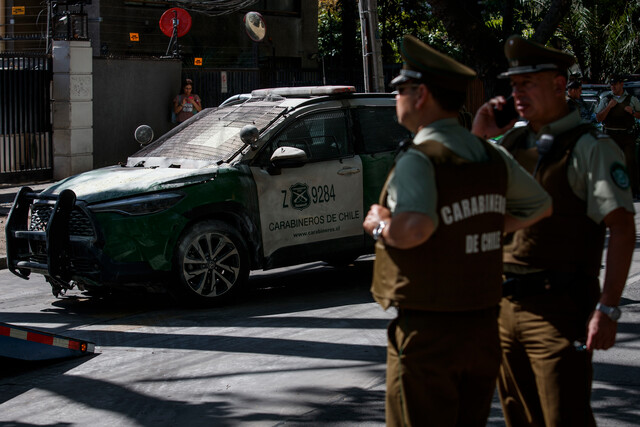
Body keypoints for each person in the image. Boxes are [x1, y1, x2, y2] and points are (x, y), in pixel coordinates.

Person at [363, 34, 552, 427]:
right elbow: (540, 205)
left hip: (430, 332)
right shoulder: (489, 153)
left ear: (422, 94)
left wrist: (379, 223)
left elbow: (415, 229)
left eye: (401, 88)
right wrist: (481, 225)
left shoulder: (421, 158)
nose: (396, 96)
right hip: (482, 325)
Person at [472, 35, 636, 427]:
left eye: (527, 84)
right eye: (513, 86)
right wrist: (479, 134)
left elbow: (622, 227)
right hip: (504, 307)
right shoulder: (512, 141)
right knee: (518, 416)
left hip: (560, 308)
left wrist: (609, 308)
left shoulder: (590, 148)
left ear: (560, 86)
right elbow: (468, 196)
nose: (517, 93)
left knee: (563, 416)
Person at [596, 74, 640, 197]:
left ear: (622, 84)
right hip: (610, 135)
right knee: (610, 162)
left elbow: (639, 114)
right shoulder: (606, 99)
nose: (613, 86)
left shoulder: (632, 99)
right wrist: (609, 107)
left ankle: (634, 190)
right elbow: (599, 118)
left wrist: (633, 112)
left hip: (626, 135)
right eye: (611, 84)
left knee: (630, 162)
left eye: (615, 84)